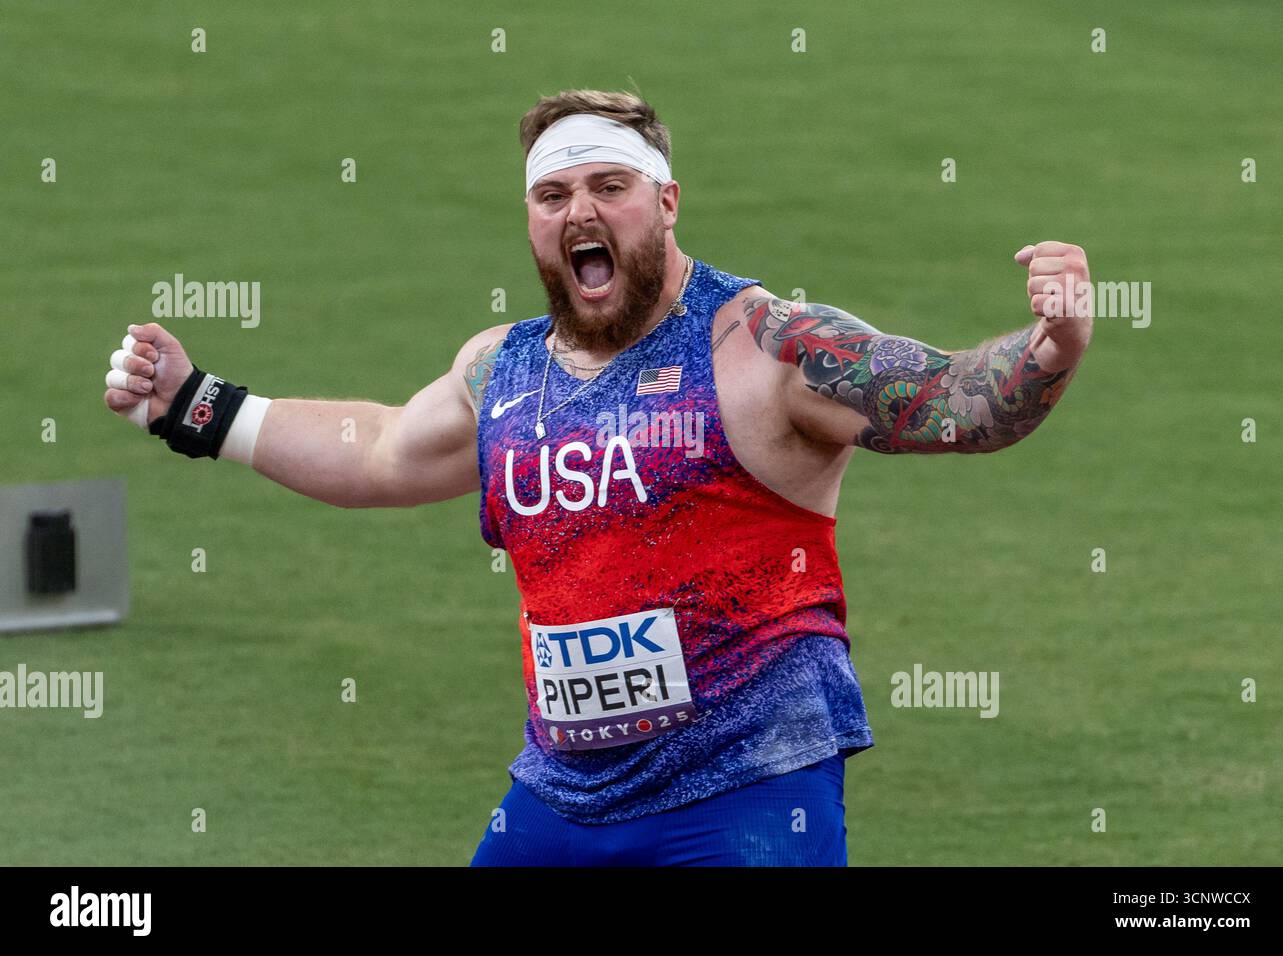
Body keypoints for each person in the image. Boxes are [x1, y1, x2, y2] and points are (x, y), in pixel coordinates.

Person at [102, 88, 1093, 866]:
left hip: (746, 790)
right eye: (552, 195)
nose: (580, 209)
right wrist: (202, 406)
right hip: (563, 794)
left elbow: (957, 400)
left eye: (609, 186)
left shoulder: (761, 347)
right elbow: (383, 449)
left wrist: (1051, 343)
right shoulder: (504, 370)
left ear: (665, 201)